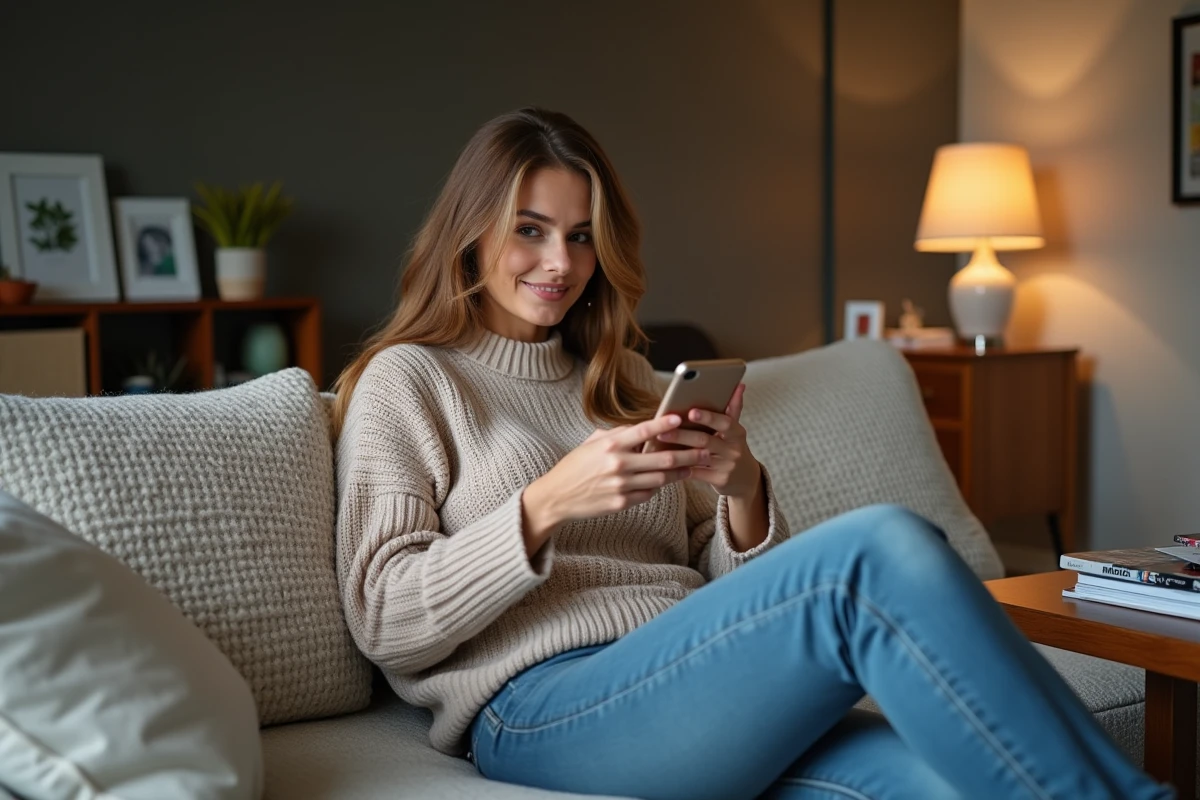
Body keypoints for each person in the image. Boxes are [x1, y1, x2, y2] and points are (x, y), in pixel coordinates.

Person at [330, 108, 1170, 800]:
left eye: (582, 236)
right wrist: (546, 504)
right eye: (530, 230)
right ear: (470, 233)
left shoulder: (621, 379)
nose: (561, 263)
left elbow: (719, 591)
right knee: (877, 551)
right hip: (542, 708)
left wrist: (742, 493)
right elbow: (385, 619)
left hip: (695, 687)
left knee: (942, 788)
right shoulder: (409, 382)